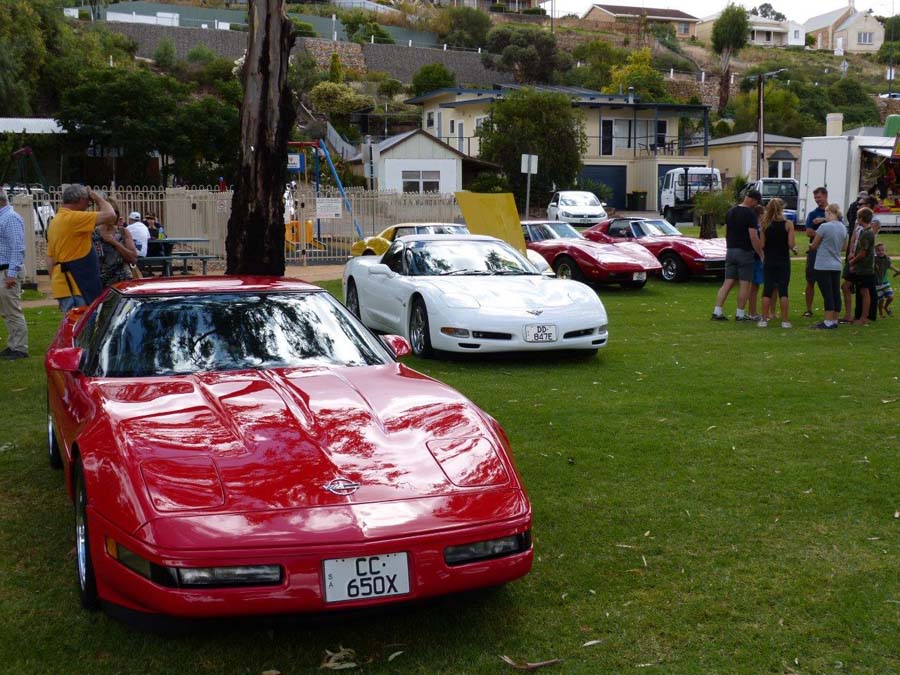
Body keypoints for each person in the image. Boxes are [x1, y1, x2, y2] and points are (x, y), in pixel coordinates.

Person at [46, 184, 115, 312]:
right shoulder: (74, 218)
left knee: (71, 322)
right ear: (81, 200)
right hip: (77, 285)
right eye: (88, 203)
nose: (88, 206)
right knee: (83, 322)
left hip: (63, 285)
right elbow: (111, 215)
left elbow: (50, 259)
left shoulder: (55, 221)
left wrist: (56, 285)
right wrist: (97, 198)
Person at [711, 189, 763, 321]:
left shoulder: (731, 211)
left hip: (730, 250)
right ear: (753, 200)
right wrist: (761, 254)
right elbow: (753, 236)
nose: (755, 205)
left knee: (727, 282)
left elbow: (726, 232)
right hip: (745, 252)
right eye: (756, 202)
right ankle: (740, 314)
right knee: (745, 284)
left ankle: (717, 311)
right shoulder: (750, 214)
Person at [809, 203, 848, 329]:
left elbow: (814, 245)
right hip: (836, 264)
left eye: (826, 212)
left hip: (823, 264)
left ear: (830, 212)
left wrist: (812, 246)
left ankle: (828, 321)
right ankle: (835, 319)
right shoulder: (843, 227)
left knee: (827, 293)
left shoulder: (824, 227)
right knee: (835, 292)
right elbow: (844, 247)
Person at [0, 188, 28, 359]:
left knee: (12, 310)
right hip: (4, 270)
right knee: (7, 311)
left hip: (7, 271)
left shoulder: (10, 218)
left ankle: (20, 348)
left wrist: (11, 274)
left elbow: (18, 247)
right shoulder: (4, 217)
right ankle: (13, 345)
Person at [758, 198, 795, 329]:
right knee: (783, 291)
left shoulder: (765, 224)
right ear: (782, 208)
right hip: (783, 260)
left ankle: (764, 319)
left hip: (769, 260)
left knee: (767, 290)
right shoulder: (788, 224)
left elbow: (762, 245)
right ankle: (785, 321)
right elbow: (791, 244)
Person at [93, 198, 138, 287]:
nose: (111, 216)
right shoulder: (93, 233)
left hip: (121, 281)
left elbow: (133, 258)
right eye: (108, 213)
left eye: (114, 213)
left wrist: (114, 242)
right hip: (99, 282)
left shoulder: (122, 232)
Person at [803, 187, 828, 317]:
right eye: (815, 198)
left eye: (819, 197)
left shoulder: (833, 211)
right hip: (814, 251)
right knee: (810, 280)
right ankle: (809, 309)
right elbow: (808, 232)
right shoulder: (813, 214)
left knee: (827, 282)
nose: (817, 200)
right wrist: (824, 236)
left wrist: (822, 221)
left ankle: (829, 309)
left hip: (828, 252)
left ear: (825, 196)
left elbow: (838, 226)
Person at [847, 207, 876, 325]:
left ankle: (864, 317)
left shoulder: (867, 233)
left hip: (865, 268)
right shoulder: (865, 231)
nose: (856, 219)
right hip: (862, 267)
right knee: (861, 290)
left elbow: (863, 253)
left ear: (861, 218)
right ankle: (860, 316)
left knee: (865, 292)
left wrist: (852, 262)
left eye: (858, 217)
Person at [874, 241, 899, 317]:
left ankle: (886, 307)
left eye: (882, 250)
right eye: (878, 250)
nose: (881, 252)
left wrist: (897, 270)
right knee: (881, 300)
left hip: (885, 282)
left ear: (885, 251)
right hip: (877, 284)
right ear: (875, 251)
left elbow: (890, 265)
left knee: (890, 297)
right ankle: (881, 313)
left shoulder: (887, 259)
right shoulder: (874, 259)